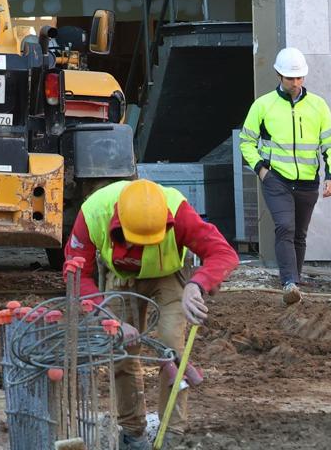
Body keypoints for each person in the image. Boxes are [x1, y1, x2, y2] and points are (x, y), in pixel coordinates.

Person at [64, 179, 238, 449]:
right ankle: (133, 432)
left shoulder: (178, 211)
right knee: (121, 350)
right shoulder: (93, 212)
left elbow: (223, 253)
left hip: (166, 277)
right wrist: (107, 317)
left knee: (171, 349)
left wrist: (197, 284)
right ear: (118, 224)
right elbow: (76, 273)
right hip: (121, 278)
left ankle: (172, 435)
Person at [239, 47, 331, 305]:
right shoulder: (262, 105)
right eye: (289, 78)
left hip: (308, 181)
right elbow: (246, 142)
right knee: (285, 226)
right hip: (277, 180)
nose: (295, 83)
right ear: (278, 75)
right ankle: (289, 283)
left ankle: (295, 279)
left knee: (299, 233)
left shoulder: (318, 106)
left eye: (299, 78)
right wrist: (262, 170)